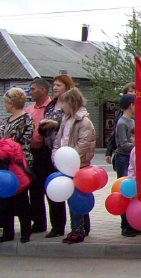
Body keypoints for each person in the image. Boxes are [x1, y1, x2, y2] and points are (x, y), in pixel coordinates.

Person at [51, 87, 95, 244]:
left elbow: (84, 143)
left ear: (71, 102)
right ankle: (76, 228)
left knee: (77, 197)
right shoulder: (65, 120)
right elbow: (58, 140)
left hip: (78, 165)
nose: (61, 106)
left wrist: (70, 158)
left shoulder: (84, 121)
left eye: (63, 103)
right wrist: (56, 156)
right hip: (65, 165)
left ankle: (79, 230)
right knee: (71, 196)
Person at [0, 87, 34, 243]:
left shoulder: (26, 119)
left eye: (6, 102)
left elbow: (20, 140)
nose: (5, 105)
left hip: (19, 163)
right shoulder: (5, 120)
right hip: (4, 162)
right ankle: (7, 232)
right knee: (5, 198)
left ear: (11, 103)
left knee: (21, 199)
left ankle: (25, 232)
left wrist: (4, 145)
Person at [35, 74, 74, 237]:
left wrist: (55, 124)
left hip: (65, 152)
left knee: (70, 189)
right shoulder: (51, 104)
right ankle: (56, 226)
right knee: (51, 188)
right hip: (48, 149)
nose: (55, 88)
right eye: (54, 85)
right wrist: (43, 127)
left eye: (59, 85)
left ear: (67, 86)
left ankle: (79, 226)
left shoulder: (70, 103)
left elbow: (72, 124)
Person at [26, 78, 53, 235]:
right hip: (32, 152)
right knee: (34, 190)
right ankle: (38, 222)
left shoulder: (51, 107)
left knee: (50, 189)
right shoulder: (29, 109)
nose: (30, 92)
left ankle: (57, 225)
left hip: (46, 152)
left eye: (33, 89)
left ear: (43, 90)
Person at [113, 93, 136, 237]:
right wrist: (139, 145)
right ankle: (126, 224)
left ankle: (134, 221)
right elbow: (123, 144)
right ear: (131, 105)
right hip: (123, 158)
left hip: (132, 157)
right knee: (125, 190)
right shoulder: (122, 122)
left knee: (134, 191)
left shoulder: (132, 121)